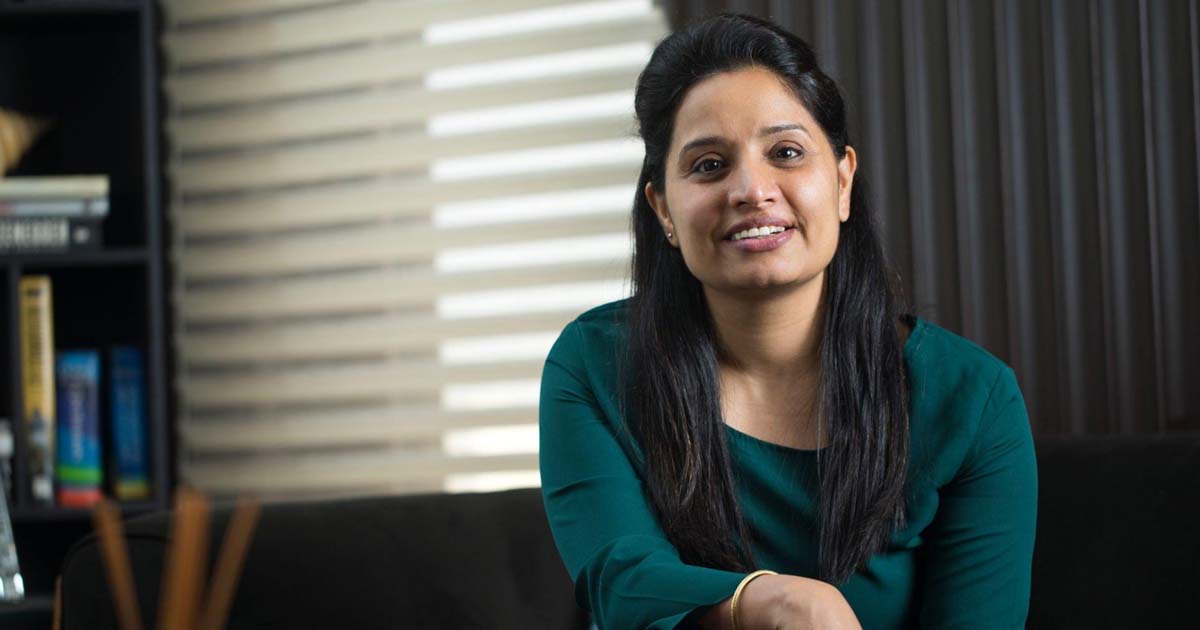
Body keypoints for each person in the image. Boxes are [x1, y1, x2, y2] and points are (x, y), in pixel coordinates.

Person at [538, 13, 1037, 630]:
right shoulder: (594, 363)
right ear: (663, 209)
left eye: (787, 153)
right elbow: (620, 581)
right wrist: (770, 601)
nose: (751, 188)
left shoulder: (972, 399)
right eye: (709, 165)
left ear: (842, 181)